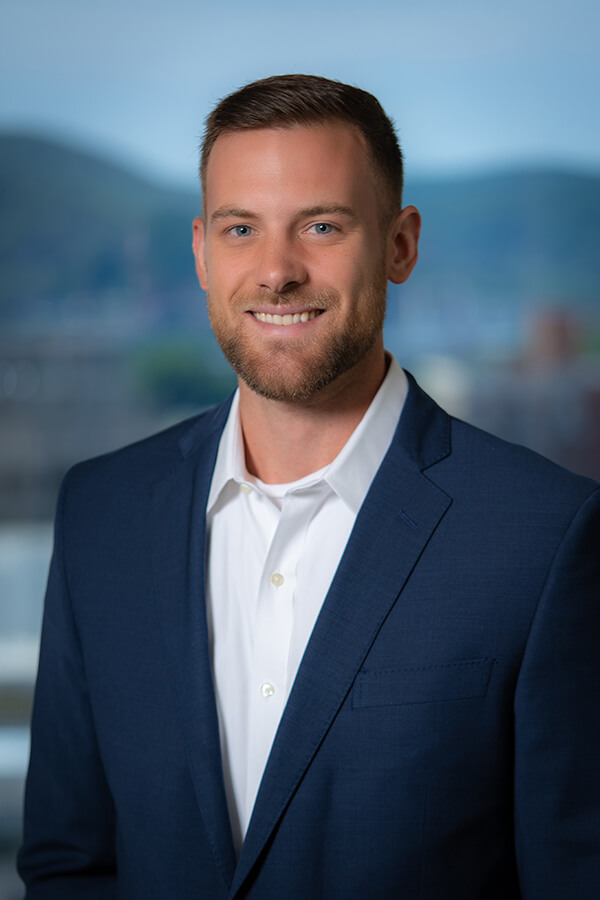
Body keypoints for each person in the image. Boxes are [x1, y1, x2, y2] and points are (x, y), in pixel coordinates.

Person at [18, 74, 600, 899]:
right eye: (241, 229)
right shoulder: (101, 514)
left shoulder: (543, 536)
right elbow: (68, 867)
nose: (276, 271)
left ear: (400, 246)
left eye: (321, 226)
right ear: (201, 252)